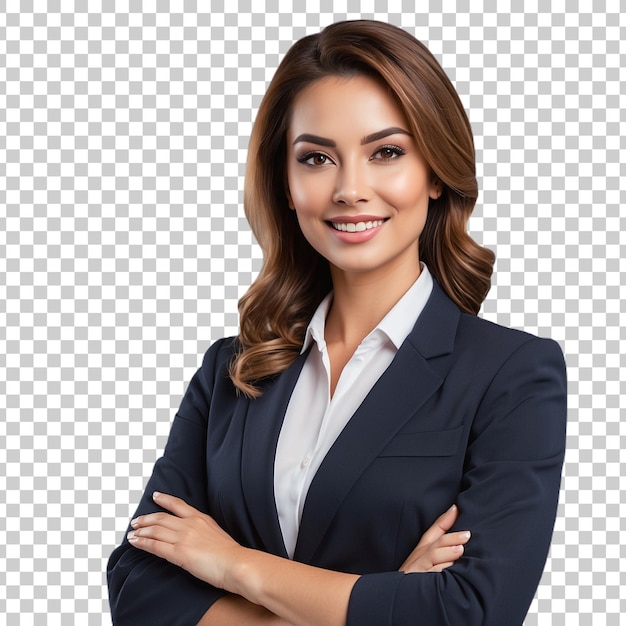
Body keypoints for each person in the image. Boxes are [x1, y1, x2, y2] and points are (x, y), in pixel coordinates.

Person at [107, 19, 567, 626]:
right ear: (287, 183)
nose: (351, 189)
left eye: (387, 152)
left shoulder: (512, 375)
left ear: (434, 173)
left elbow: (470, 612)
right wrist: (380, 597)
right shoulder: (232, 370)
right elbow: (138, 586)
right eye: (317, 158)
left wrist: (232, 565)